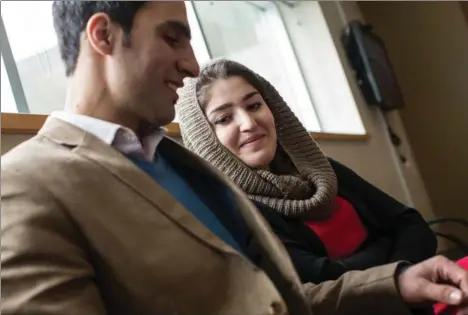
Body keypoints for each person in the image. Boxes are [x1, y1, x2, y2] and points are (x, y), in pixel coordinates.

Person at [1, 2, 467, 315]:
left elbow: (278, 300)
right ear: (104, 35)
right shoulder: (23, 189)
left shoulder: (184, 166)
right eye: (172, 38)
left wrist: (399, 282)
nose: (191, 63)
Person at [176, 58, 438, 284]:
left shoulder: (319, 169)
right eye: (224, 119)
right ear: (205, 141)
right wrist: (391, 257)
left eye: (254, 105)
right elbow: (323, 281)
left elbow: (412, 225)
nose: (248, 123)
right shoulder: (231, 210)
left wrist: (396, 275)